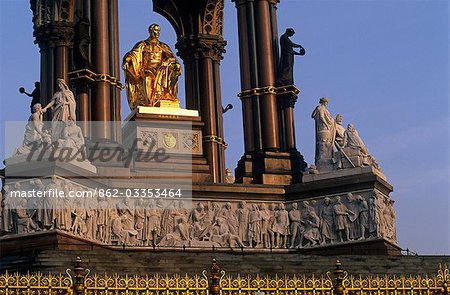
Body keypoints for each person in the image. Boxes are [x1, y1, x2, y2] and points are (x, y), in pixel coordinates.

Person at [122, 24, 182, 110]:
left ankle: (169, 94)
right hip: (148, 70)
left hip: (162, 70)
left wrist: (173, 64)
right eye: (155, 31)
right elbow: (133, 54)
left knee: (175, 68)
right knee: (147, 78)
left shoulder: (162, 46)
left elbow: (171, 57)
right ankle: (149, 102)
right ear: (150, 31)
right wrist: (127, 60)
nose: (157, 33)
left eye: (158, 31)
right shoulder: (143, 44)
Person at [311, 97, 335, 170]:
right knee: (325, 144)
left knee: (327, 143)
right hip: (324, 128)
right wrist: (327, 124)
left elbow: (312, 115)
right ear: (324, 102)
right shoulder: (321, 108)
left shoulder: (320, 108)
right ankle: (324, 161)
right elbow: (321, 117)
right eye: (326, 102)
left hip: (324, 128)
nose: (327, 104)